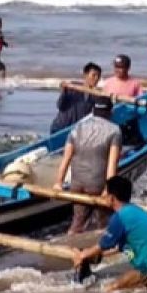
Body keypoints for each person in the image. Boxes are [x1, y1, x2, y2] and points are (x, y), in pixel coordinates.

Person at [72, 175, 147, 292]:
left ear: (111, 198)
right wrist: (93, 255)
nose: (103, 195)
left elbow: (104, 244)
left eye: (105, 191)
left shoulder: (120, 217)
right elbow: (120, 248)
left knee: (110, 289)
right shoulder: (134, 211)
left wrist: (82, 255)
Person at [53, 97, 122, 233]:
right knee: (103, 224)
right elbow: (112, 164)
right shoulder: (115, 131)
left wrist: (58, 182)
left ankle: (71, 243)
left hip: (77, 185)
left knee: (78, 221)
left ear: (93, 111)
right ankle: (99, 250)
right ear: (110, 113)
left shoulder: (77, 128)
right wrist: (108, 190)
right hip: (97, 185)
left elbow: (66, 158)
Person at [50, 62, 101, 133]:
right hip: (60, 128)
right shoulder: (72, 87)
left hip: (76, 131)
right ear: (86, 75)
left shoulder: (96, 95)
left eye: (98, 76)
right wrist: (64, 91)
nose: (96, 78)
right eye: (94, 75)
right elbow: (60, 105)